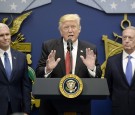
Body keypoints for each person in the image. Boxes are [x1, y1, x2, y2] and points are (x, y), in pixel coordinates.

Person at [36, 14, 102, 115]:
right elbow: (38, 73)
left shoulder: (89, 48)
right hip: (52, 105)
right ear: (60, 31)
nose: (70, 30)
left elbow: (98, 74)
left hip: (80, 104)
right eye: (66, 27)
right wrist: (48, 69)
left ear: (79, 29)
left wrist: (92, 68)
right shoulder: (49, 46)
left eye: (73, 26)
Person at [0, 23, 32, 115]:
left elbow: (25, 86)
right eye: (1, 35)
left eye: (7, 34)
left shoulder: (21, 57)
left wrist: (26, 111)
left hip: (16, 108)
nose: (5, 38)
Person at [104, 26, 135, 115]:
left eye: (130, 38)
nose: (127, 40)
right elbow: (108, 86)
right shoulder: (111, 61)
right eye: (124, 37)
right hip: (119, 109)